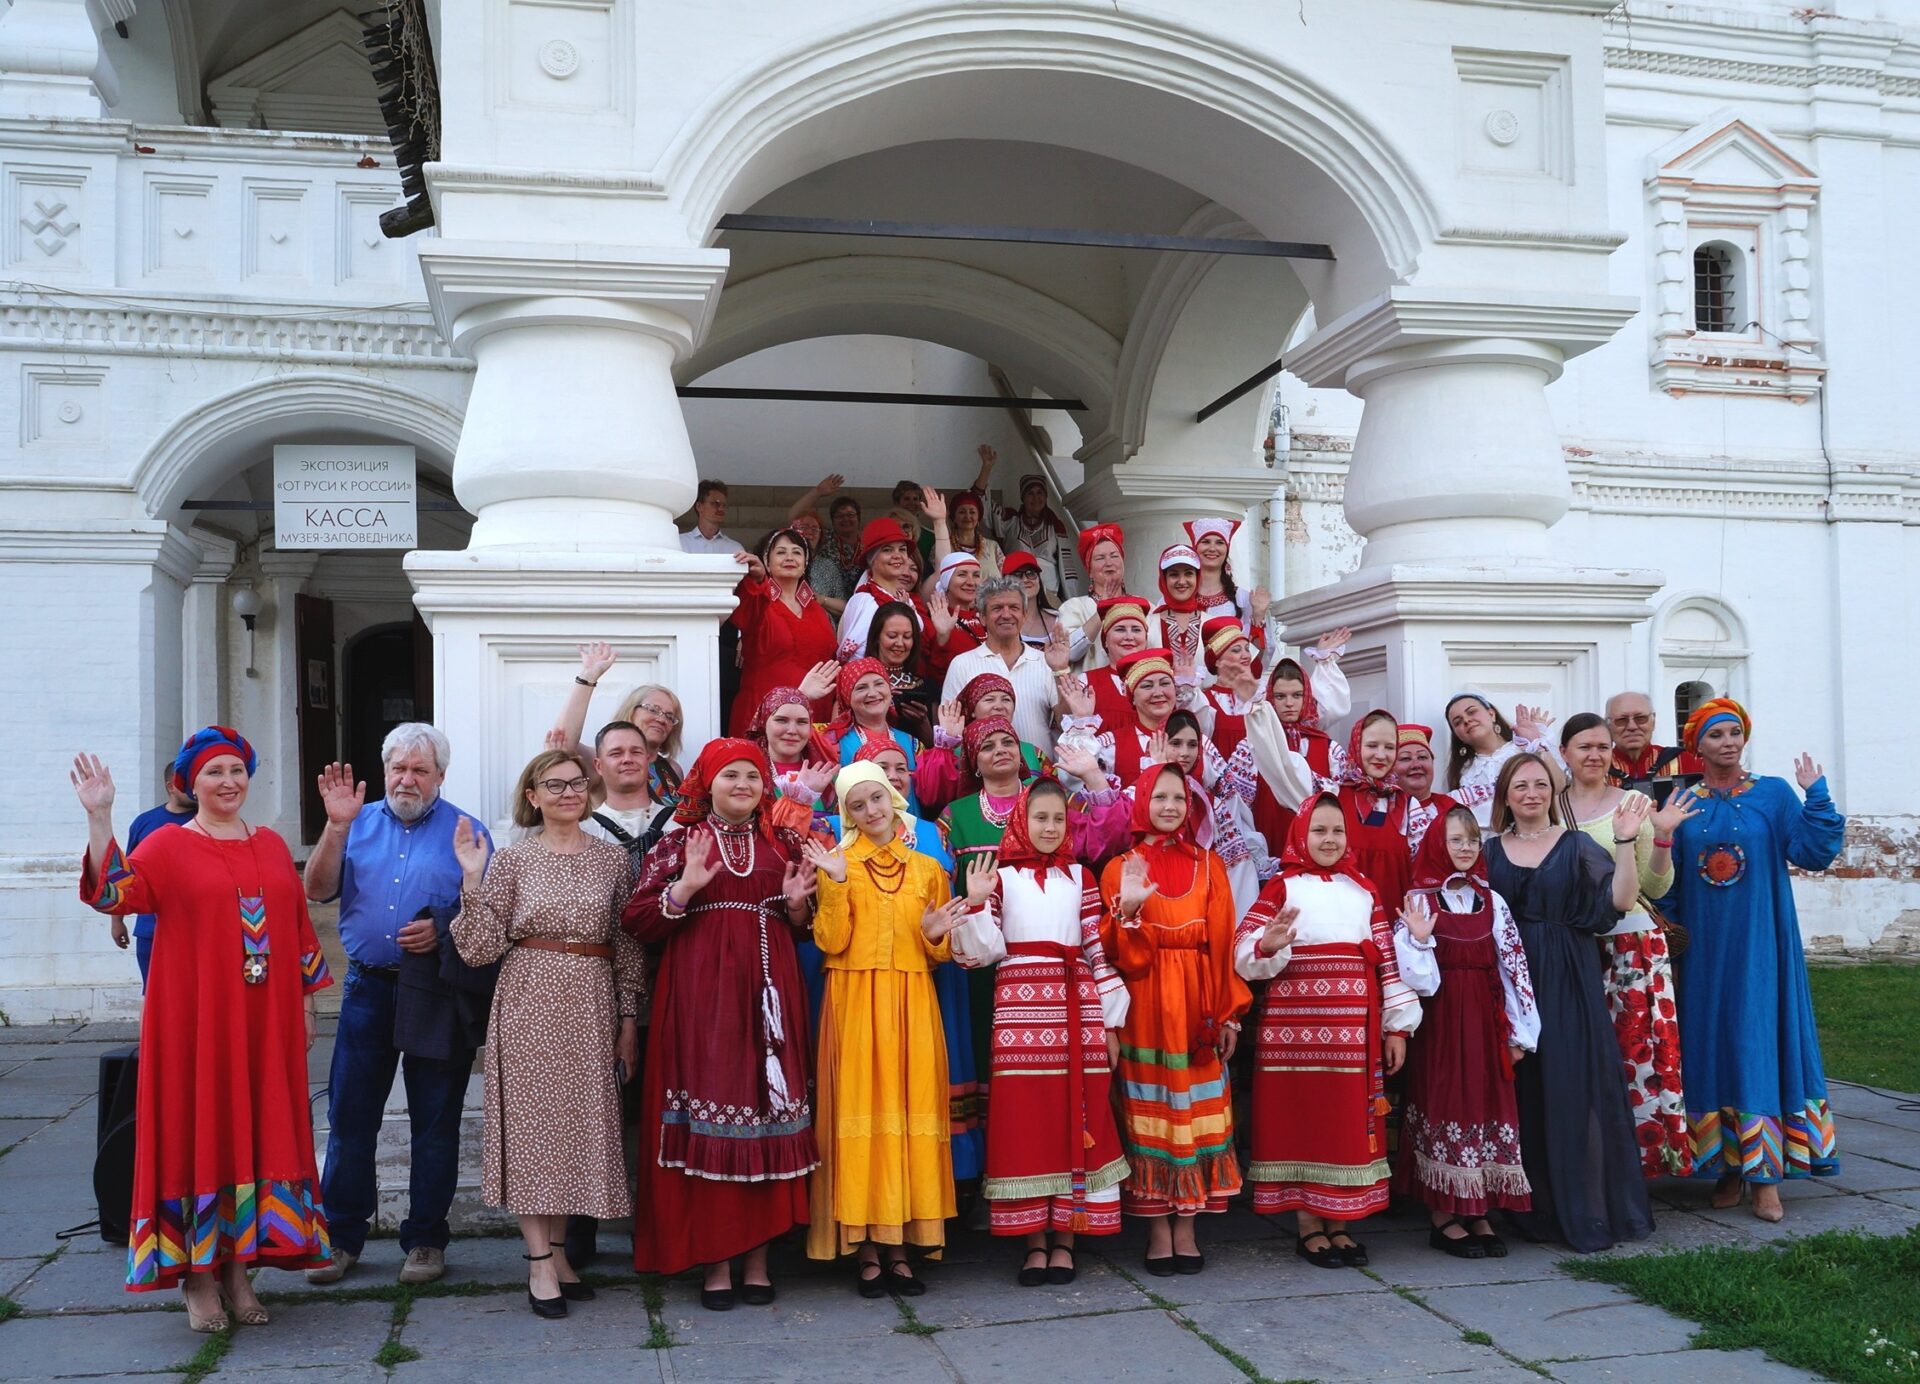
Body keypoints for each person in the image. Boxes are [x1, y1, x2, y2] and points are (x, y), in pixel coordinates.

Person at [74, 729, 333, 1329]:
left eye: (237, 771)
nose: (228, 782)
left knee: (259, 1126)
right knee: (199, 1129)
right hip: (192, 1021)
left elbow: (295, 925)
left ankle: (240, 1269)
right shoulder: (167, 845)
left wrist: (306, 1005)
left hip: (264, 1020)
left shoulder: (269, 844)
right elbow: (113, 893)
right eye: (214, 771)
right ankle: (196, 1277)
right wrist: (100, 816)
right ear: (190, 783)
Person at [623, 739, 819, 1309]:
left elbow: (802, 925)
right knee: (715, 1110)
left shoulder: (782, 841)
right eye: (731, 775)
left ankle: (757, 1260)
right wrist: (684, 887)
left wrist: (797, 904)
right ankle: (715, 1263)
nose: (743, 785)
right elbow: (637, 920)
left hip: (770, 995)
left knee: (764, 1112)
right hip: (701, 997)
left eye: (754, 777)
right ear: (706, 782)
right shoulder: (679, 842)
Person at [448, 749, 644, 1318]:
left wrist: (628, 1020)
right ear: (532, 796)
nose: (566, 792)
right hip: (528, 998)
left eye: (575, 783)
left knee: (574, 1131)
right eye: (552, 785)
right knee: (535, 1134)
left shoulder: (612, 862)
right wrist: (471, 877)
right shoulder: (511, 861)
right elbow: (479, 949)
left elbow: (627, 944)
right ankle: (538, 1264)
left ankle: (558, 1254)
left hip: (592, 1000)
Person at [303, 723, 486, 1287]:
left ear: (441, 776)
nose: (408, 779)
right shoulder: (352, 824)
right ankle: (341, 1238)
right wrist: (335, 828)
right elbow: (316, 888)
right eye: (399, 769)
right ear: (385, 771)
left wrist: (444, 933)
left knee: (436, 1119)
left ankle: (426, 1239)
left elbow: (486, 914)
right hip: (367, 989)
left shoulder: (466, 830)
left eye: (420, 770)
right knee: (351, 1116)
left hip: (435, 990)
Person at [1665, 698, 1844, 1223]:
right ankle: (1724, 1165)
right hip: (1702, 949)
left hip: (1761, 945)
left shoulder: (1772, 795)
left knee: (1756, 1041)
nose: (1728, 742)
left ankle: (1765, 1175)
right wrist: (1670, 944)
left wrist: (1817, 796)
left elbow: (1813, 852)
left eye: (1735, 733)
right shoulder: (1684, 801)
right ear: (1697, 745)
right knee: (1710, 1045)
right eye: (1716, 734)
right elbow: (1669, 881)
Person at [949, 779, 1130, 1286]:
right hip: (1020, 1016)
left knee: (1078, 1113)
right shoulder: (1002, 878)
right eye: (1039, 818)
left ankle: (1066, 1238)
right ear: (1020, 822)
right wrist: (976, 901)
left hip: (1079, 1010)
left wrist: (1110, 1020)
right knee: (1026, 1120)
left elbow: (1096, 948)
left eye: (1058, 820)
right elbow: (979, 953)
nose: (1049, 828)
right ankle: (1033, 1240)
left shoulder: (1082, 877)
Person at [802, 762, 971, 1293]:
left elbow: (939, 951)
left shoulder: (927, 869)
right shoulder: (839, 863)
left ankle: (902, 1246)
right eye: (858, 804)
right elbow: (830, 942)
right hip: (854, 1001)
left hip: (912, 1002)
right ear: (846, 813)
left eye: (878, 798)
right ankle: (866, 1247)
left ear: (894, 800)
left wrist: (935, 935)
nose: (871, 811)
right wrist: (831, 885)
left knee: (907, 1112)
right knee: (862, 1117)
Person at [1235, 791, 1420, 1270]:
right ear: (1300, 833)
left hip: (1351, 1034)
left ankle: (1340, 1222)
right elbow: (1243, 951)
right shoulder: (1281, 887)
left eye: (1338, 830)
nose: (1329, 839)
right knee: (1301, 1120)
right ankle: (1307, 1225)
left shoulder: (1365, 890)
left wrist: (1397, 1027)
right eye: (1319, 830)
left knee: (1344, 1123)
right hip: (1292, 1033)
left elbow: (1388, 961)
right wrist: (1266, 945)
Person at [1485, 753, 1655, 1253]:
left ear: (1553, 793)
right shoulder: (1489, 852)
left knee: (1571, 1087)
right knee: (1523, 1093)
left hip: (1566, 976)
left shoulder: (1576, 845)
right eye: (1521, 785)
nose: (1531, 793)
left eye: (1541, 784)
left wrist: (1625, 841)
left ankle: (1582, 1206)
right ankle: (1528, 1208)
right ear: (1506, 795)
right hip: (1510, 978)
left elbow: (1621, 901)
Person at [1099, 764, 1251, 1275]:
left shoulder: (1210, 865)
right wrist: (1132, 914)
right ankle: (1157, 1226)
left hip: (1198, 1005)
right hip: (1144, 1005)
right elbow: (1124, 957)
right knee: (1151, 1113)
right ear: (1142, 801)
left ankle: (1188, 1224)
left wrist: (1229, 1014)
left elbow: (1224, 942)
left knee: (1198, 1116)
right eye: (1159, 797)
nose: (1169, 806)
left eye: (1178, 798)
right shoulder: (1121, 867)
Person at [1392, 807, 1539, 1259]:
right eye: (1455, 839)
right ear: (1437, 843)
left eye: (1472, 840)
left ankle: (1478, 1209)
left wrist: (1521, 1034)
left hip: (1485, 1017)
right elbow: (1419, 980)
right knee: (1446, 1102)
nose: (1465, 848)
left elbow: (1514, 968)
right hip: (1441, 1022)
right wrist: (1418, 939)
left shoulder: (1492, 901)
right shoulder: (1419, 901)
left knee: (1486, 1104)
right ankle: (1444, 1215)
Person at [1559, 712, 1698, 1178]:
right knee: (1581, 1057)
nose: (1595, 755)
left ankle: (1645, 1163)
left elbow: (1655, 888)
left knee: (1635, 1055)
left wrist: (1662, 836)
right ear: (1565, 754)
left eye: (1602, 746)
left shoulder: (1634, 804)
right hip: (1574, 946)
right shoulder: (1551, 806)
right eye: (1584, 747)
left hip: (1632, 946)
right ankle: (1591, 1163)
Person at [726, 527, 837, 737]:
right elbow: (743, 614)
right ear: (767, 562)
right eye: (780, 552)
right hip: (764, 713)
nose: (789, 557)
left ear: (805, 564)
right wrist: (758, 580)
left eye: (797, 552)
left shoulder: (817, 611)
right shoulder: (760, 599)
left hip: (814, 714)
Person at [939, 575, 1067, 754]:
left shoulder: (1045, 662)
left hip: (1038, 773)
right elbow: (949, 729)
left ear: (1024, 615)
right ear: (982, 617)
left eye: (1014, 607)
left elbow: (1066, 723)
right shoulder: (962, 664)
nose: (1006, 615)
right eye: (997, 608)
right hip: (983, 777)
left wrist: (1060, 670)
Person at [554, 644, 686, 806]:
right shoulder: (604, 759)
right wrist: (588, 678)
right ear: (631, 710)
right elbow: (562, 744)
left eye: (670, 716)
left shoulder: (673, 769)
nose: (661, 719)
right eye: (653, 709)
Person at [113, 759, 195, 986]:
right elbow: (126, 875)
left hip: (193, 929)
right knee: (152, 993)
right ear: (170, 786)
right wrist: (117, 921)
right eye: (185, 783)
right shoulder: (144, 823)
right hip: (150, 928)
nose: (193, 788)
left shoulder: (208, 821)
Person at [1334, 710, 1417, 916]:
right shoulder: (1334, 797)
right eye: (1372, 745)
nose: (1381, 755)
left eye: (1389, 747)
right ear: (1356, 745)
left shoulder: (1408, 806)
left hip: (1392, 918)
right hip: (1343, 916)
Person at [972, 444, 1076, 600]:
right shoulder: (1010, 520)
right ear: (1023, 497)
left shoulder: (1055, 525)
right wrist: (986, 468)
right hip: (1016, 594)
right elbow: (978, 505)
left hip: (1050, 596)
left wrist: (1070, 600)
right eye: (1030, 493)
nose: (1036, 498)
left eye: (1040, 493)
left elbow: (1067, 571)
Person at [1444, 693, 1558, 828]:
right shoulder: (1463, 773)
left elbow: (1558, 787)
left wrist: (1536, 743)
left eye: (1472, 712)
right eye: (1457, 722)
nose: (1466, 720)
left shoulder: (1524, 748)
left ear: (1491, 714)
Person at [836, 518, 931, 661]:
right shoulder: (866, 601)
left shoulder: (905, 599)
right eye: (887, 550)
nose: (897, 555)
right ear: (872, 559)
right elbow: (855, 657)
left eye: (902, 549)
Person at [746, 677, 839, 814]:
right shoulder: (748, 772)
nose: (792, 731)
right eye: (781, 720)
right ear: (763, 723)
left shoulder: (826, 774)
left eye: (801, 722)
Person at [1054, 523, 1133, 667]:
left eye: (1114, 556)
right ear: (1089, 570)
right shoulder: (1074, 607)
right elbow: (1069, 652)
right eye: (1100, 558)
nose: (1109, 563)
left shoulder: (1143, 606)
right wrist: (1102, 611)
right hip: (1089, 687)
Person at [866, 600, 939, 746]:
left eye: (907, 637)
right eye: (892, 636)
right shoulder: (857, 683)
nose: (900, 643)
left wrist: (922, 722)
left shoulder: (928, 687)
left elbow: (936, 749)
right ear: (876, 638)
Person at [1606, 690, 1703, 798]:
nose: (1632, 727)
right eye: (1621, 720)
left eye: (1640, 718)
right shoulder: (1598, 767)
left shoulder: (1684, 760)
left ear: (1653, 722)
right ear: (1608, 726)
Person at [1185, 518, 1268, 639]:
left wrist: (1258, 614)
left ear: (1227, 549)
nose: (1212, 548)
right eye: (1206, 542)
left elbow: (1256, 654)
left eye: (1219, 543)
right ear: (1195, 548)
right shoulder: (1178, 596)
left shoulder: (1242, 598)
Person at [1395, 725, 1458, 853]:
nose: (1416, 765)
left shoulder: (1450, 806)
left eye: (1422, 757)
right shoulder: (1384, 810)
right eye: (1405, 758)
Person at [925, 552, 986, 684]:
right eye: (962, 574)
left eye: (976, 575)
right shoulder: (933, 621)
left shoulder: (987, 617)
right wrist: (943, 636)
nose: (971, 582)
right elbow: (936, 676)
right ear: (947, 581)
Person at [1152, 544, 1206, 684]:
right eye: (1174, 574)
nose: (1182, 581)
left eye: (1188, 573)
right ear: (1163, 579)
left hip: (1207, 705)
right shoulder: (1147, 624)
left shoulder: (1213, 624)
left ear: (1198, 577)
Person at [809, 492, 865, 617]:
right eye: (839, 516)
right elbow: (795, 515)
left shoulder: (868, 543)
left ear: (859, 518)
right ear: (832, 521)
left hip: (863, 604)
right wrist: (818, 491)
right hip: (832, 605)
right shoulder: (826, 539)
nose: (845, 519)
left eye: (850, 515)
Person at [1001, 550, 1062, 648]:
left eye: (1031, 573)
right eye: (1017, 575)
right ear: (1004, 582)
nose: (1025, 579)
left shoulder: (1058, 620)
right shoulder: (998, 621)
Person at [945, 489, 1004, 580]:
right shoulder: (944, 547)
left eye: (972, 512)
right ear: (954, 518)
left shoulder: (993, 547)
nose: (967, 517)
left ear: (978, 518)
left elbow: (1006, 580)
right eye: (962, 512)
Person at [680, 479, 745, 554]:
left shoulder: (735, 549)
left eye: (724, 505)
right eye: (715, 504)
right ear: (699, 506)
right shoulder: (681, 543)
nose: (721, 508)